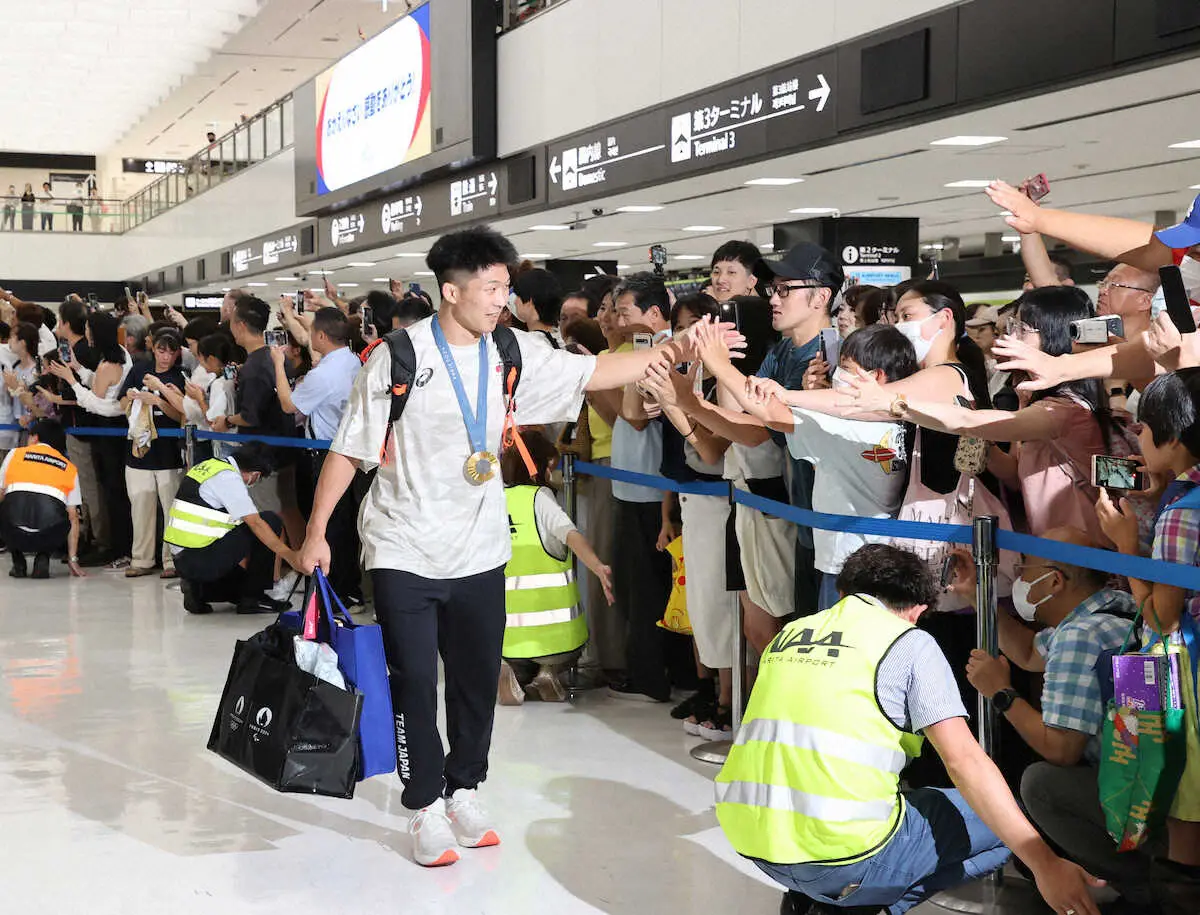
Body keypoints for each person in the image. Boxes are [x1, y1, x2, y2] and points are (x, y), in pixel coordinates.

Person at [296, 225, 736, 868]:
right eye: (492, 287)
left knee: (476, 681)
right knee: (416, 680)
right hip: (402, 546)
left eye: (506, 287)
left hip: (480, 547)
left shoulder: (511, 350)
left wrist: (676, 346)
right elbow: (348, 450)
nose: (503, 298)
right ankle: (422, 806)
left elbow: (596, 370)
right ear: (451, 291)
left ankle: (465, 789)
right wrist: (315, 533)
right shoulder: (396, 358)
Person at [714, 543, 1104, 915]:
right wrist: (1045, 864)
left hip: (749, 839)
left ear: (843, 590)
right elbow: (965, 761)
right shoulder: (907, 642)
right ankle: (864, 905)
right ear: (918, 610)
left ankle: (812, 900)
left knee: (917, 801)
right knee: (1015, 819)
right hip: (843, 855)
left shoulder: (790, 633)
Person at [951, 528, 1154, 912]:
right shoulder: (1119, 608)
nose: (1020, 580)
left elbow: (1061, 749)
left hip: (1136, 803)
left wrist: (1001, 694)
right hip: (1157, 785)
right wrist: (974, 593)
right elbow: (1029, 652)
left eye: (1026, 569)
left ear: (1054, 581)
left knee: (1041, 784)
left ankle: (1143, 887)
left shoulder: (1079, 636)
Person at [844, 286, 1112, 543]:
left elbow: (968, 420)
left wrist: (894, 402)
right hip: (1045, 547)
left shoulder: (1066, 409)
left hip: (1083, 558)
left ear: (1055, 335)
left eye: (1020, 329)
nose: (1007, 338)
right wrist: (982, 444)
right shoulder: (1030, 397)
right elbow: (1014, 474)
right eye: (1009, 328)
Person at [698, 322, 919, 611]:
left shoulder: (848, 426)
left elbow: (768, 411)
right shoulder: (895, 419)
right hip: (873, 556)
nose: (838, 375)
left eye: (847, 368)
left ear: (876, 376)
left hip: (848, 563)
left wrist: (718, 363)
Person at [1096, 368, 1200, 906]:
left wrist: (1124, 544)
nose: (1135, 439)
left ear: (1174, 436)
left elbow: (1161, 618)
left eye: (1143, 428)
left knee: (1186, 821)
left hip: (1187, 680)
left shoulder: (1182, 516)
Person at [609, 271, 687, 702]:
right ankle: (655, 670)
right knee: (641, 584)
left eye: (626, 313)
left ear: (655, 313)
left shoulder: (666, 356)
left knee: (648, 588)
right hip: (633, 486)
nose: (620, 323)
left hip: (652, 490)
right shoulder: (637, 353)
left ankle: (653, 675)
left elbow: (635, 415)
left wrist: (634, 369)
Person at [497, 429, 613, 705]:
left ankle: (512, 673)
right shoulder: (540, 498)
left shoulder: (497, 499)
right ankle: (549, 673)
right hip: (556, 639)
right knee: (569, 649)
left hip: (507, 639)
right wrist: (597, 566)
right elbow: (570, 535)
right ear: (543, 465)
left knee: (515, 657)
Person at [271, 306, 362, 601]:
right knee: (344, 524)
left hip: (325, 455)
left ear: (321, 336)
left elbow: (288, 405)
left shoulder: (323, 375)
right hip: (350, 453)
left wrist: (277, 364)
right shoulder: (352, 361)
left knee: (327, 524)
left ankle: (330, 591)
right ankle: (348, 589)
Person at [165, 444, 298, 615]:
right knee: (269, 521)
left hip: (182, 558)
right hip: (199, 558)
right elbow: (256, 524)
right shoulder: (228, 478)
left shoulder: (209, 466)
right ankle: (253, 598)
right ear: (255, 474)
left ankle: (197, 590)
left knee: (239, 586)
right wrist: (290, 556)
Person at [215, 296, 303, 549]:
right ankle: (298, 566)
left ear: (240, 325)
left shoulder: (254, 367)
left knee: (268, 516)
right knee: (288, 509)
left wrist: (227, 421)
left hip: (263, 454)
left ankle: (274, 576)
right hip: (286, 446)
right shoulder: (276, 357)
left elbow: (250, 416)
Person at [49, 311, 134, 568]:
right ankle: (118, 547)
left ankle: (118, 548)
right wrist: (80, 371)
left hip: (109, 433)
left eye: (88, 328)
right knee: (114, 491)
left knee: (113, 492)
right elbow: (105, 388)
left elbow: (97, 403)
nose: (85, 333)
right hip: (114, 431)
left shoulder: (110, 364)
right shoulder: (119, 356)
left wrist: (71, 380)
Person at [119, 330, 186, 578]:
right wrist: (132, 398)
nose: (165, 356)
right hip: (139, 451)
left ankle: (172, 559)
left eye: (171, 351)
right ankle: (142, 558)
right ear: (153, 349)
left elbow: (182, 414)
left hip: (169, 454)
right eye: (161, 350)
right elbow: (122, 404)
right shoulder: (139, 371)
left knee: (171, 508)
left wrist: (157, 400)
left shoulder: (179, 377)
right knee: (140, 506)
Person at [0, 419, 84, 580]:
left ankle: (18, 560)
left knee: (6, 507)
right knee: (65, 514)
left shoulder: (14, 455)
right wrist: (73, 559)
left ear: (35, 438)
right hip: (47, 536)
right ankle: (43, 556)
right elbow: (73, 517)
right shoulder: (69, 468)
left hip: (13, 533)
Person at [511, 268, 563, 348]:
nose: (515, 302)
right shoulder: (562, 341)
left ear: (529, 302)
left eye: (518, 296)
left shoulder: (528, 346)